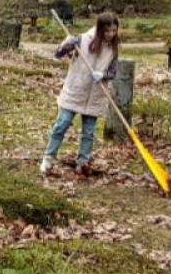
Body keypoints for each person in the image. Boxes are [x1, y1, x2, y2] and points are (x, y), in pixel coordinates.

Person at [40, 11, 120, 177]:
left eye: (114, 31)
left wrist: (102, 75)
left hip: (95, 96)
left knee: (89, 132)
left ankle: (82, 163)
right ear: (100, 30)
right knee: (62, 124)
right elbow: (57, 55)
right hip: (75, 91)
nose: (111, 34)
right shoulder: (82, 40)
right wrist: (65, 44)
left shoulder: (113, 50)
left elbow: (113, 73)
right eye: (107, 31)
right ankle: (48, 158)